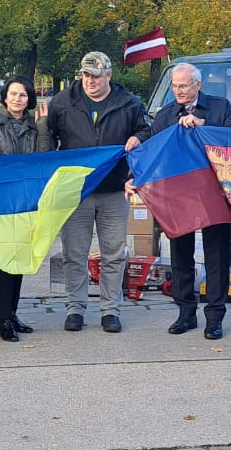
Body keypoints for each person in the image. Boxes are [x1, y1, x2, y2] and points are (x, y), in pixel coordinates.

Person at [44, 51, 149, 334]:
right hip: (76, 191)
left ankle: (110, 310)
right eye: (86, 75)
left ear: (109, 76)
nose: (90, 81)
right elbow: (47, 139)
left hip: (114, 189)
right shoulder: (62, 102)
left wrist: (138, 137)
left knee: (113, 254)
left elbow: (146, 130)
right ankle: (75, 307)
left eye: (96, 76)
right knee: (74, 253)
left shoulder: (129, 103)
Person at [149, 62, 231, 340]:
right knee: (180, 255)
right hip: (179, 195)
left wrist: (204, 126)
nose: (178, 90)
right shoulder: (165, 115)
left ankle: (214, 317)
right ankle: (185, 312)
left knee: (216, 256)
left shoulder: (220, 107)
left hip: (214, 193)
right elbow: (154, 152)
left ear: (197, 85)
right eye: (175, 86)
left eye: (183, 85)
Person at [0, 75, 48, 342]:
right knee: (5, 260)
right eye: (13, 94)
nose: (18, 99)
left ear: (29, 100)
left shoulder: (35, 126)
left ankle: (12, 313)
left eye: (23, 95)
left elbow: (44, 158)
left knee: (18, 258)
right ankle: (2, 319)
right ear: (4, 96)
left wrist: (42, 127)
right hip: (1, 200)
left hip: (27, 201)